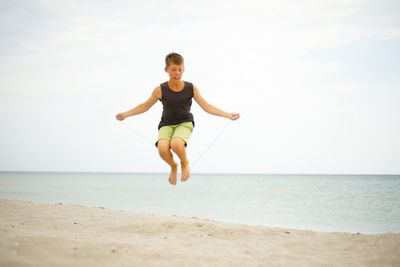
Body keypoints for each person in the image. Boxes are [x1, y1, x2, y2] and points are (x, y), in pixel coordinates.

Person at [116, 52, 240, 185]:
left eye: (179, 70)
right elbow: (145, 106)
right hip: (166, 124)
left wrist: (227, 114)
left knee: (176, 144)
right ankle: (174, 166)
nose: (177, 73)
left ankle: (184, 162)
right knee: (162, 149)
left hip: (185, 123)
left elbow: (206, 106)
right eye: (173, 70)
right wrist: (125, 114)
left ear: (184, 70)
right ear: (166, 70)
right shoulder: (160, 90)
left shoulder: (190, 88)